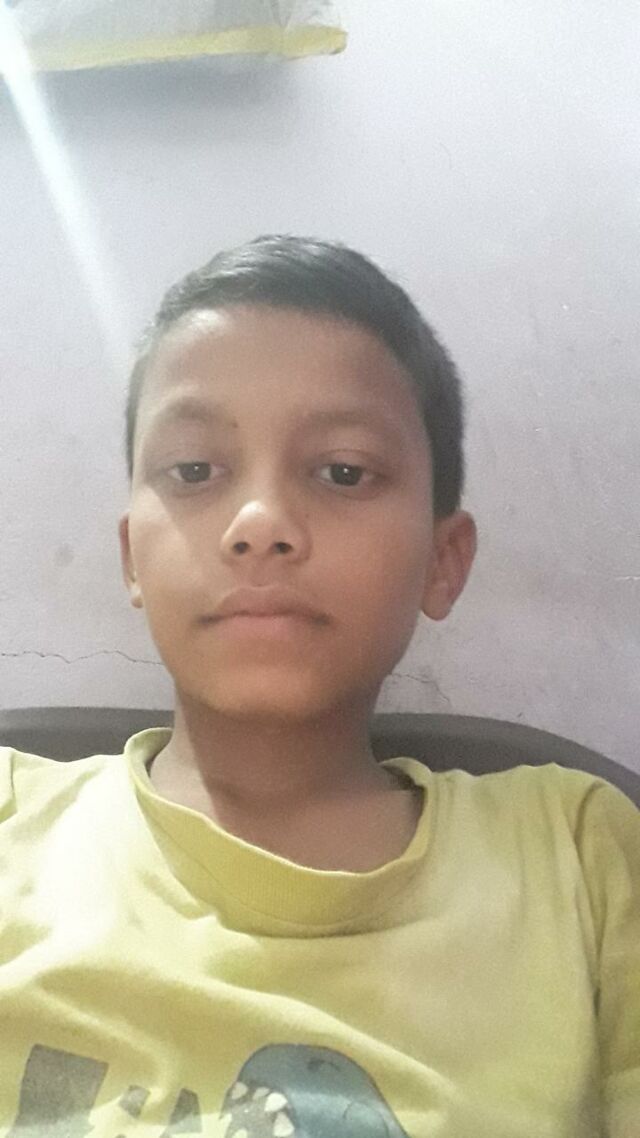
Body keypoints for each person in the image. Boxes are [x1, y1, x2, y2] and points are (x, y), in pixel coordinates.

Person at [0, 235, 637, 1137]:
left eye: (343, 471)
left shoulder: (579, 858)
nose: (260, 522)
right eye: (194, 471)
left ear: (443, 561)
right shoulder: (11, 824)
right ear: (131, 555)